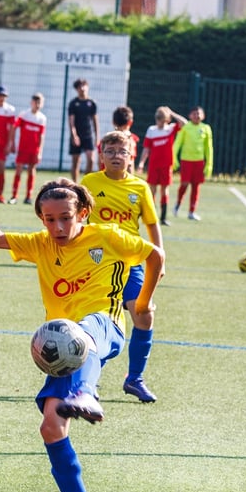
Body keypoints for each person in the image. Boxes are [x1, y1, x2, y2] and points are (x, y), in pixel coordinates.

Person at [0, 178, 164, 492]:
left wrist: (142, 302)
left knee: (82, 333)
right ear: (41, 219)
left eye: (66, 218)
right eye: (49, 219)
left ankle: (87, 394)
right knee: (51, 427)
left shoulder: (106, 236)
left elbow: (155, 256)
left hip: (104, 325)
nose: (57, 227)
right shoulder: (41, 244)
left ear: (83, 213)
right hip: (64, 351)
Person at [83, 130, 163, 403]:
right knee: (99, 319)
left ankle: (134, 379)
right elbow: (77, 218)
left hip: (132, 261)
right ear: (101, 155)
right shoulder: (89, 183)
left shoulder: (140, 188)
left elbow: (151, 224)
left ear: (131, 157)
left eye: (122, 151)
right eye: (110, 151)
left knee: (144, 315)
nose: (116, 156)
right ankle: (88, 380)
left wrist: (160, 257)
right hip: (98, 261)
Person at [137, 105, 188, 226]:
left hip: (166, 166)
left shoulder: (170, 128)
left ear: (167, 120)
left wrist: (171, 112)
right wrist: (141, 163)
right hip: (154, 165)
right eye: (157, 118)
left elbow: (185, 123)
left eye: (161, 118)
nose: (159, 121)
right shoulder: (151, 130)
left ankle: (163, 217)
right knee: (152, 190)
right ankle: (151, 216)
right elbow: (146, 149)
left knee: (165, 190)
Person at [173, 106, 213, 221]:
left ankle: (192, 211)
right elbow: (177, 143)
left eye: (199, 113)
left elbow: (209, 147)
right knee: (184, 184)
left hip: (199, 162)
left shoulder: (206, 128)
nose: (197, 116)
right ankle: (178, 204)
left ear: (203, 116)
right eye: (194, 114)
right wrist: (174, 158)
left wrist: (209, 164)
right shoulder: (185, 128)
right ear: (190, 116)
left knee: (196, 186)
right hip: (186, 161)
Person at [11, 93, 47, 205]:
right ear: (31, 103)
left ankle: (28, 196)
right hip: (23, 148)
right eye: (35, 102)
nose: (37, 105)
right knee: (19, 170)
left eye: (39, 102)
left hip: (34, 150)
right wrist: (12, 143)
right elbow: (14, 127)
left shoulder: (42, 118)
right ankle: (14, 196)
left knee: (31, 171)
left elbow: (41, 136)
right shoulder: (24, 115)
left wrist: (40, 152)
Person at [67, 78, 99, 182]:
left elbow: (95, 121)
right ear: (76, 89)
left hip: (88, 135)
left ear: (87, 87)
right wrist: (74, 135)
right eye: (79, 86)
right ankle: (74, 185)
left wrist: (97, 137)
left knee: (91, 160)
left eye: (84, 85)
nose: (82, 88)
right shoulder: (73, 103)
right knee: (76, 161)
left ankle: (84, 183)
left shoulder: (92, 103)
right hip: (77, 135)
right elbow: (71, 121)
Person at [99, 106, 139, 174]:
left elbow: (99, 162)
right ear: (130, 122)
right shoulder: (130, 141)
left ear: (113, 122)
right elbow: (130, 165)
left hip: (105, 177)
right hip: (121, 179)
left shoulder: (106, 140)